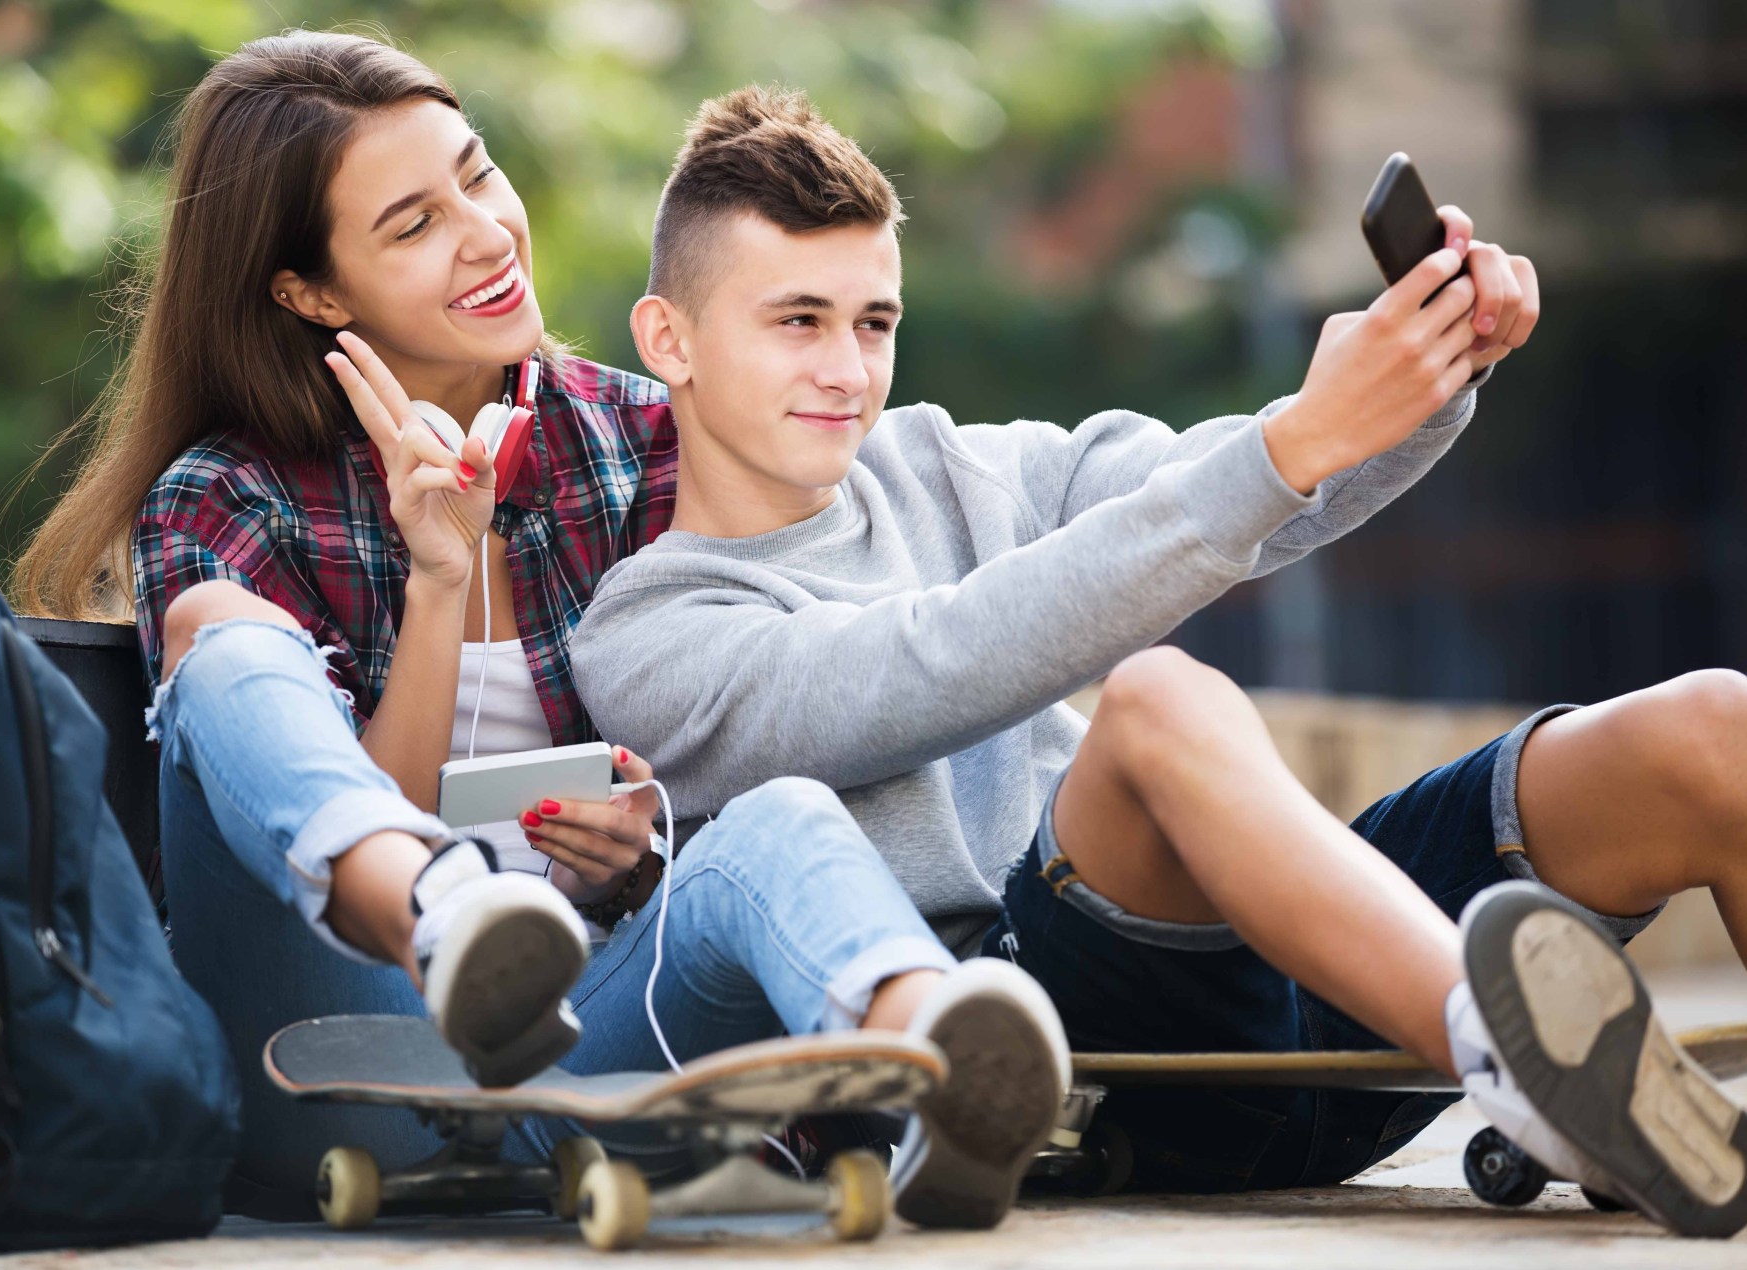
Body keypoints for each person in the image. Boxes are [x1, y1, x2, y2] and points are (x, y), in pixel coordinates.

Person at [568, 84, 1747, 1238]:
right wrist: (1298, 437)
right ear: (667, 337)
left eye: (872, 321)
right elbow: (934, 662)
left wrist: (1424, 379)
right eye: (797, 320)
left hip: (1305, 1000)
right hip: (1085, 1050)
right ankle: (1525, 1063)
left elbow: (1235, 495)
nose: (846, 369)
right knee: (1155, 700)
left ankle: (1537, 1067)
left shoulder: (957, 465)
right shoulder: (650, 632)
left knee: (1708, 726)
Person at [11, 32, 1067, 1224]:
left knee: (775, 823)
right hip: (329, 1048)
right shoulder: (225, 496)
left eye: (477, 173)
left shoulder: (638, 438)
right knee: (226, 648)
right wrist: (438, 574)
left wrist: (643, 850)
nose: (483, 232)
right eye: (411, 226)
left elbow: (752, 707)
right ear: (311, 291)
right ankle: (442, 911)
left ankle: (942, 1060)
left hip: (588, 1042)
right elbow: (293, 787)